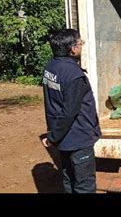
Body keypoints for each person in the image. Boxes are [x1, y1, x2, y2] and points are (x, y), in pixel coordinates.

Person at [41, 29, 101, 193]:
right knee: (84, 185)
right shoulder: (74, 75)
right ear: (73, 49)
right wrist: (53, 137)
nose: (82, 46)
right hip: (78, 138)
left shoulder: (50, 68)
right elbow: (69, 112)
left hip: (63, 140)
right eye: (80, 43)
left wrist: (54, 135)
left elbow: (53, 103)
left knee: (69, 179)